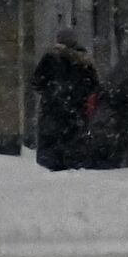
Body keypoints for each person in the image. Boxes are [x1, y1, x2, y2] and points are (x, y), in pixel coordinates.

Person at [31, 28, 100, 171]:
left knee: (53, 139)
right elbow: (94, 84)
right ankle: (74, 163)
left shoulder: (50, 58)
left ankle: (54, 164)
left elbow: (36, 82)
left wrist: (50, 91)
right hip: (76, 108)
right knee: (74, 139)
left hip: (53, 107)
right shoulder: (84, 60)